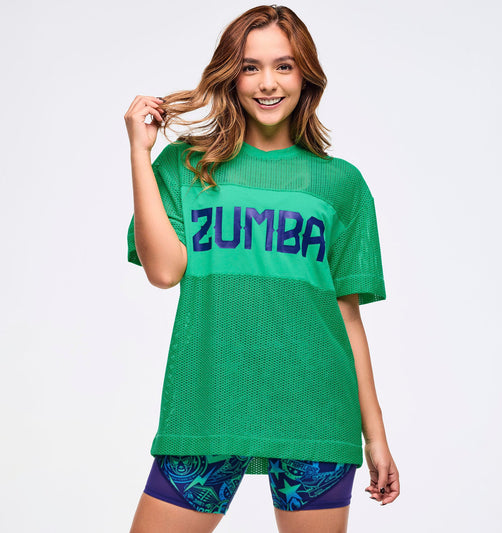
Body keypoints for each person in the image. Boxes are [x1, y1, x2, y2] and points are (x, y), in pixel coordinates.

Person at [124, 5, 399, 533]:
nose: (267, 83)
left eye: (284, 66)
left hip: (317, 413)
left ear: (306, 76)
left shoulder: (341, 184)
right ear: (231, 75)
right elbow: (164, 272)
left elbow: (347, 317)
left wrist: (376, 437)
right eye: (251, 67)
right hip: (206, 409)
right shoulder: (186, 166)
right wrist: (139, 152)